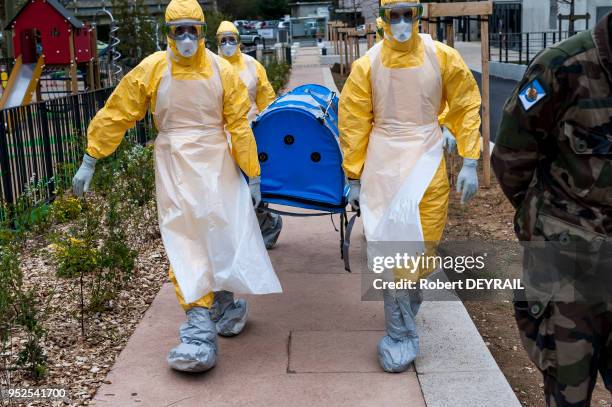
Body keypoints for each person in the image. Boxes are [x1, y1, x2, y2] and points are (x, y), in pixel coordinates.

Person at [72, 0, 282, 373]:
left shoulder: (222, 71)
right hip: (175, 166)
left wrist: (252, 174)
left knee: (221, 234)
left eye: (193, 30)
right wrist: (92, 156)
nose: (186, 38)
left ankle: (224, 306)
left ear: (202, 31)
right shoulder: (153, 69)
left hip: (217, 162)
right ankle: (199, 333)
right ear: (167, 33)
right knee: (185, 239)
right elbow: (118, 111)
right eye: (178, 30)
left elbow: (238, 124)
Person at [339, 0, 481, 373]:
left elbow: (465, 102)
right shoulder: (367, 65)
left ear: (418, 15)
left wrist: (469, 158)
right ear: (383, 18)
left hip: (427, 162)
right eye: (394, 15)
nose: (401, 22)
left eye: (408, 14)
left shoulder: (442, 56)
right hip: (384, 164)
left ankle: (403, 306)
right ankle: (400, 333)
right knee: (393, 251)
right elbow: (353, 120)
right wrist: (352, 176)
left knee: (422, 247)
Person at [492, 12, 612, 405]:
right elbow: (512, 156)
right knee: (567, 394)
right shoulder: (563, 66)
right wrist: (541, 227)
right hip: (570, 272)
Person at [215, 20, 283, 251]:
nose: (227, 44)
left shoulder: (252, 66)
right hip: (221, 135)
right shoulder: (211, 67)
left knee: (253, 181)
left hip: (253, 131)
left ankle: (268, 223)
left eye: (231, 39)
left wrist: (271, 127)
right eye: (222, 40)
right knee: (228, 186)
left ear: (239, 41)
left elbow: (266, 98)